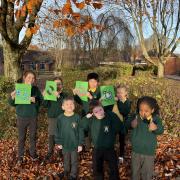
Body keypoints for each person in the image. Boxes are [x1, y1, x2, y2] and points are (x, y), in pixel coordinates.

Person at [81, 100, 125, 180]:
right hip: (97, 149)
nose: (100, 112)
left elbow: (119, 127)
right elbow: (82, 126)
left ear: (103, 107)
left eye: (100, 109)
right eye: (96, 112)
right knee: (97, 169)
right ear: (92, 113)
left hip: (110, 148)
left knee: (113, 168)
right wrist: (86, 118)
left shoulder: (110, 116)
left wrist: (112, 116)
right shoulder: (91, 120)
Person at [8, 70, 43, 164]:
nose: (31, 80)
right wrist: (12, 97)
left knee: (32, 137)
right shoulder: (19, 88)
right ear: (24, 78)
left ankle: (33, 154)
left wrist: (35, 100)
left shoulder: (36, 89)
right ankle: (20, 156)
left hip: (33, 117)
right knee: (21, 138)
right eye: (29, 78)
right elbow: (12, 103)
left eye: (33, 78)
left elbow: (41, 102)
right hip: (21, 117)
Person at [125, 96, 164, 180]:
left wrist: (155, 128)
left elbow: (161, 130)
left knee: (147, 173)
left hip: (148, 152)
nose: (143, 113)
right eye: (141, 110)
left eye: (146, 111)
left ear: (152, 110)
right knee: (135, 172)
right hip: (136, 151)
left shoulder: (156, 119)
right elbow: (126, 124)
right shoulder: (135, 117)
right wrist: (131, 124)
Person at [55, 97, 83, 180]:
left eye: (71, 104)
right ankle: (66, 171)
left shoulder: (77, 117)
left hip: (74, 144)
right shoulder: (60, 118)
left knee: (74, 161)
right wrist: (58, 142)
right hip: (64, 143)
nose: (69, 106)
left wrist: (80, 144)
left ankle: (73, 175)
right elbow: (57, 131)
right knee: (66, 160)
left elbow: (80, 131)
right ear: (63, 107)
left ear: (74, 106)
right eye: (67, 104)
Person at [42, 77, 67, 161]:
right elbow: (44, 105)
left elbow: (66, 106)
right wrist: (44, 96)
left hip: (63, 118)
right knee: (51, 136)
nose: (57, 86)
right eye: (55, 84)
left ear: (62, 85)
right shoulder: (49, 94)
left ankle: (61, 152)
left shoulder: (65, 95)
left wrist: (59, 96)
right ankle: (50, 152)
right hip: (52, 118)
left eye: (59, 84)